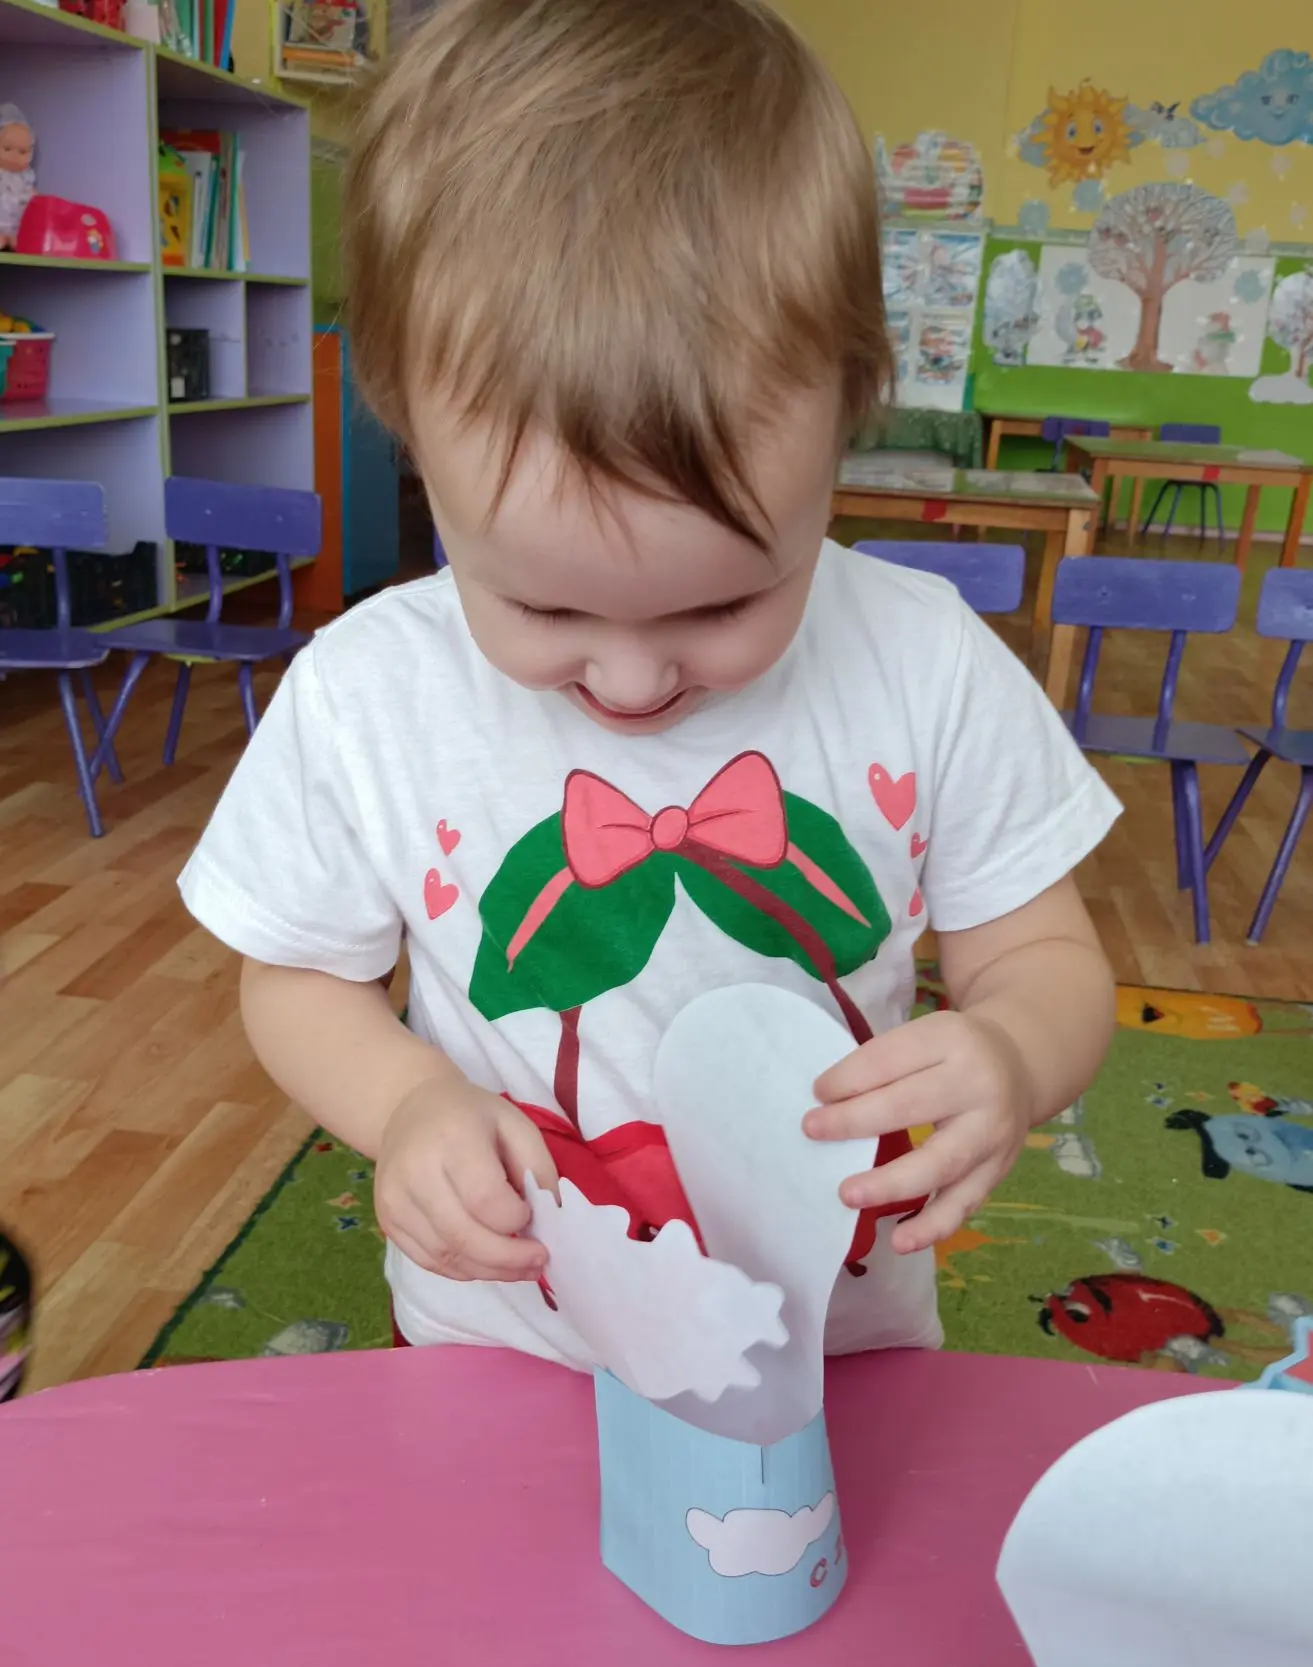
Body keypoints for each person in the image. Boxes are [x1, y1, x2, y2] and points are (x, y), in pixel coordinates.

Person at [179, 0, 1120, 1360]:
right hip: (503, 1341)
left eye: (723, 602)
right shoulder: (365, 693)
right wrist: (405, 1105)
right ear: (406, 427)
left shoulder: (927, 661)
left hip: (829, 1351)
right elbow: (297, 982)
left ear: (848, 422)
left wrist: (1017, 1054)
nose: (628, 682)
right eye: (544, 602)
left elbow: (1041, 955)